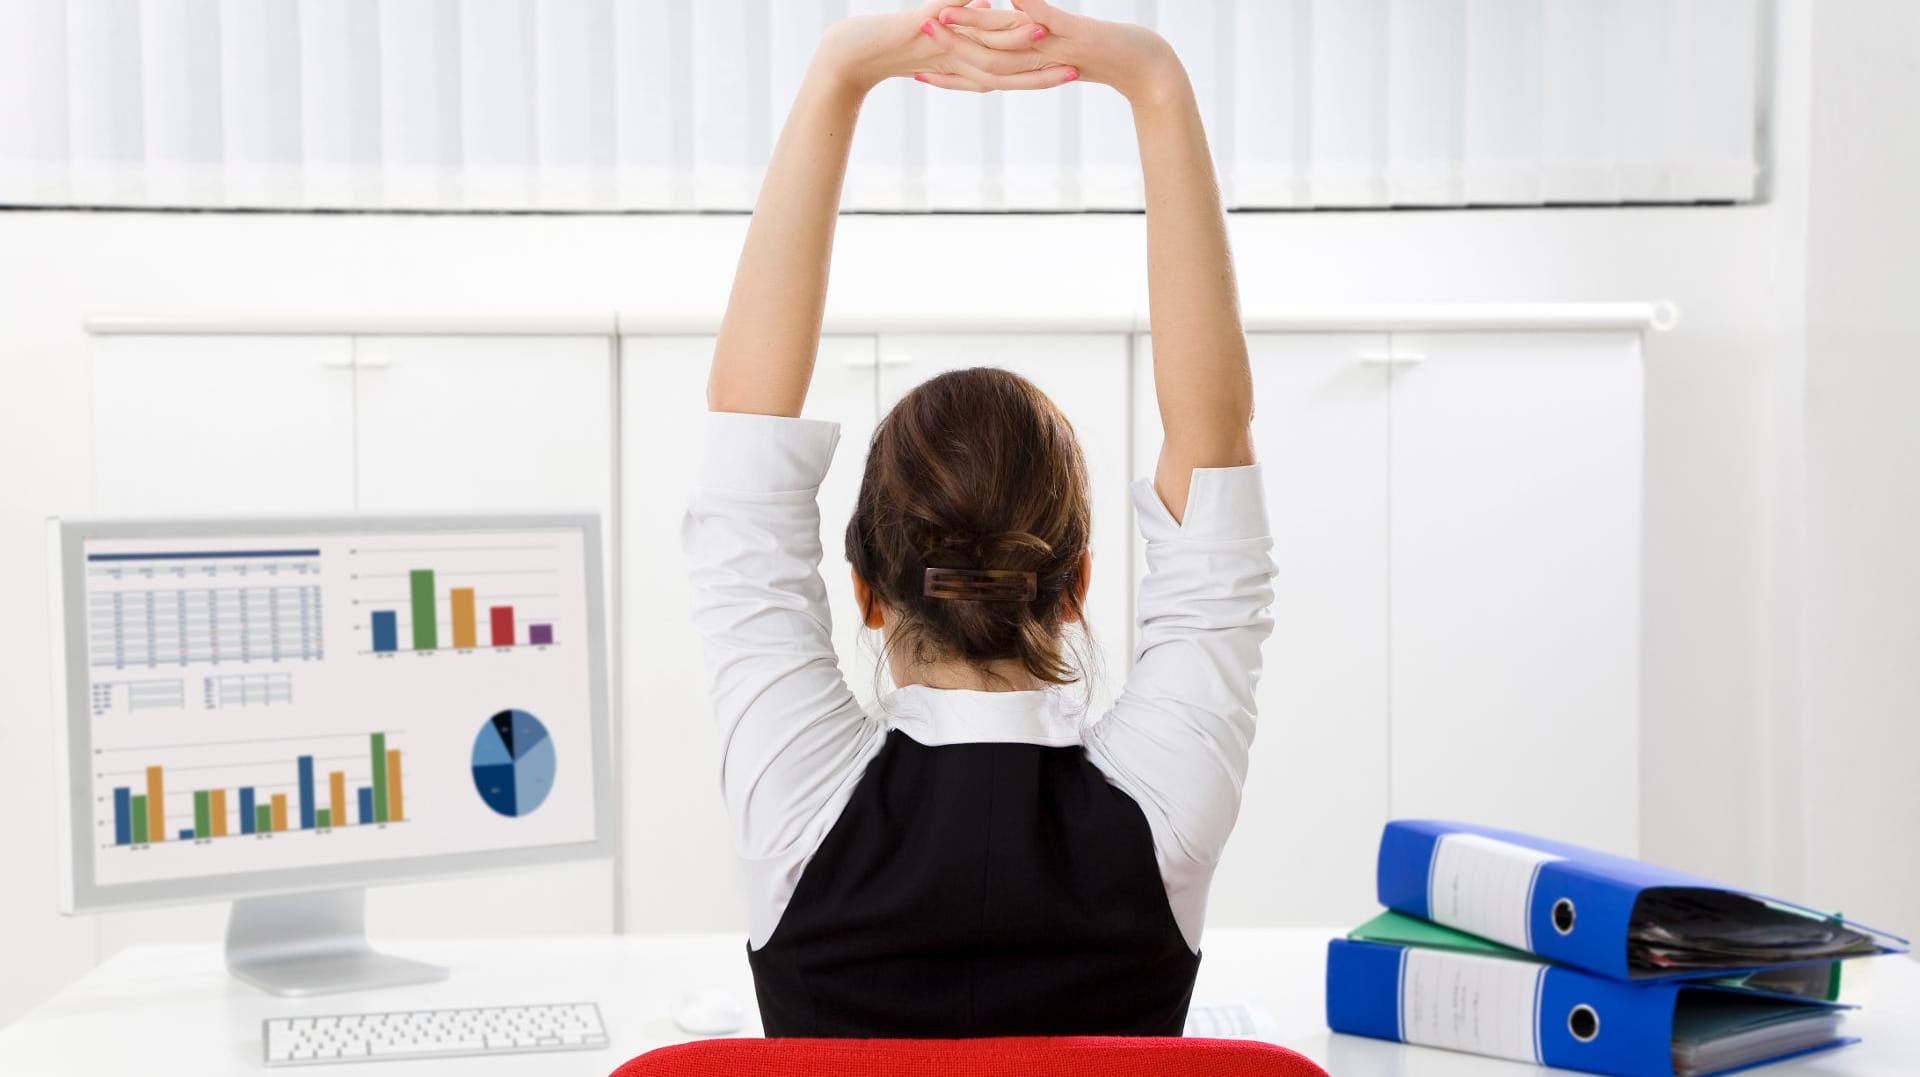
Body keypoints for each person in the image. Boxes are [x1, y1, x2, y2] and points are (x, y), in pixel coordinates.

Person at [684, 0, 1275, 1038]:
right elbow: (1214, 435)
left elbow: (747, 450)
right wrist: (1156, 87)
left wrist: (838, 74)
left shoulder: (799, 803)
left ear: (865, 590)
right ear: (1078, 578)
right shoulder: (1163, 811)